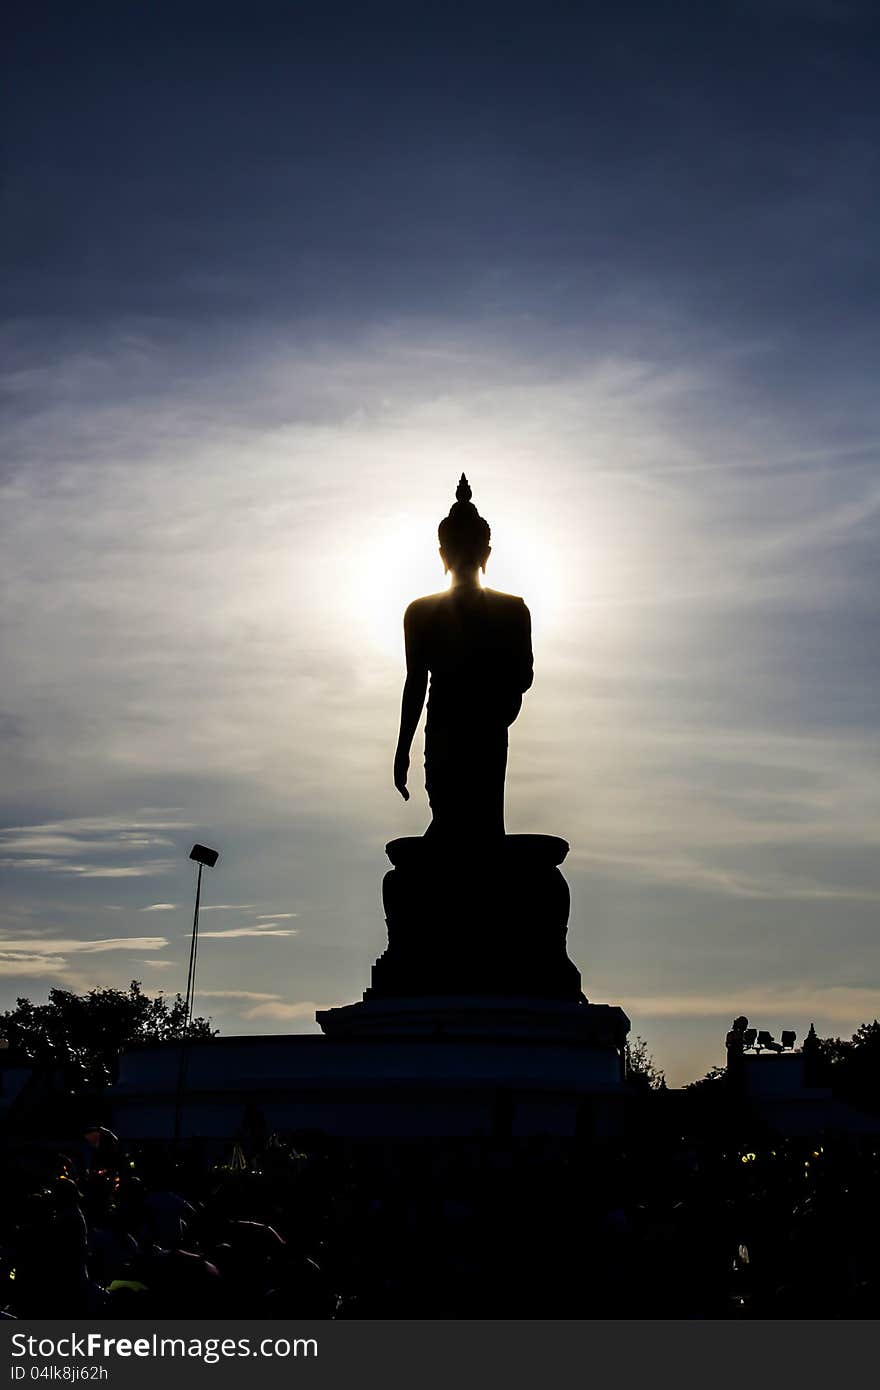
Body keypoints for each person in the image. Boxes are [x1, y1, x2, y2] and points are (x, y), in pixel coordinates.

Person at [393, 476, 533, 840]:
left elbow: (522, 676)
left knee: (482, 825)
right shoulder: (420, 613)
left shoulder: (512, 611)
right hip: (443, 729)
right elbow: (415, 685)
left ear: (485, 554)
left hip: (486, 729)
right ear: (443, 554)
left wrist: (496, 701)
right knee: (448, 817)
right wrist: (403, 749)